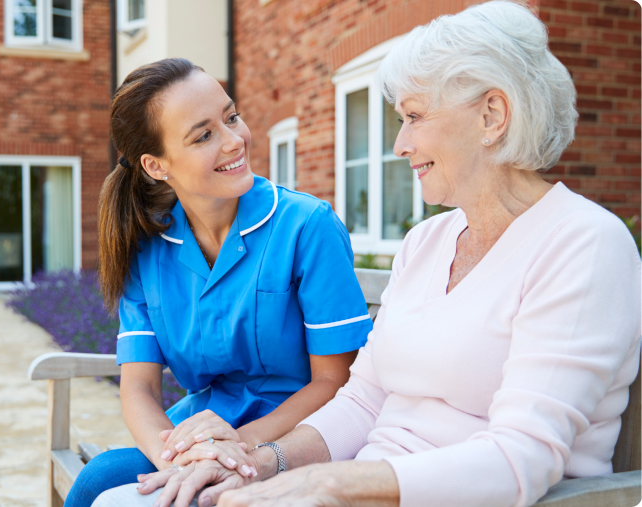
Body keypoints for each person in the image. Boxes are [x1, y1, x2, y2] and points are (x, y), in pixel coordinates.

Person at [92, 3, 642, 507]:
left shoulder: (583, 243)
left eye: (415, 116)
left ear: (492, 116)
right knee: (119, 500)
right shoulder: (428, 242)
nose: (400, 145)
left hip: (428, 494)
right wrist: (260, 467)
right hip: (366, 482)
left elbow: (522, 458)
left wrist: (326, 481)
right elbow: (361, 401)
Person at [63, 58, 373, 506]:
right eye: (204, 135)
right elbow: (140, 386)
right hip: (202, 432)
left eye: (231, 117)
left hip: (301, 439)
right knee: (99, 479)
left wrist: (232, 449)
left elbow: (336, 381)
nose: (234, 141)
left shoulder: (307, 227)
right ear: (155, 165)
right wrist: (177, 460)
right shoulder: (146, 248)